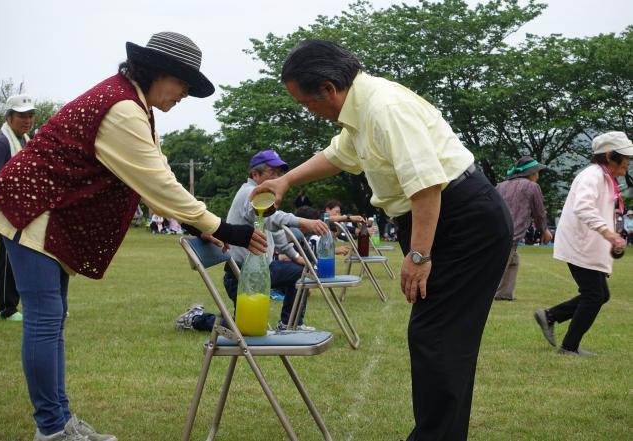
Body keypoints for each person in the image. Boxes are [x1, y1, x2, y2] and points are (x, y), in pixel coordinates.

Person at [0, 32, 267, 441]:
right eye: (182, 85)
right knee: (45, 321)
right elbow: (161, 185)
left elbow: (158, 177)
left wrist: (197, 223)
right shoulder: (123, 109)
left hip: (48, 214)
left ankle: (59, 422)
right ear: (159, 73)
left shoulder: (137, 107)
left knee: (52, 319)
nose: (183, 95)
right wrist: (223, 227)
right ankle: (52, 429)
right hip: (32, 210)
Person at [251, 40, 513, 441]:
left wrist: (419, 254)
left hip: (462, 221)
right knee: (438, 337)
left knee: (439, 337)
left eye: (306, 103)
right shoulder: (361, 111)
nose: (310, 112)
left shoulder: (383, 108)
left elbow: (427, 185)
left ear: (327, 88)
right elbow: (337, 155)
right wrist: (285, 179)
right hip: (446, 217)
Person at [175, 149, 327, 332]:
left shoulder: (264, 197)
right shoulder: (249, 193)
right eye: (273, 173)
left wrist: (295, 255)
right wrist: (301, 221)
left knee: (246, 326)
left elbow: (274, 230)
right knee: (244, 328)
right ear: (255, 173)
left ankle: (289, 324)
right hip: (241, 274)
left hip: (258, 271)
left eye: (280, 174)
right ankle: (195, 319)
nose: (278, 178)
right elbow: (271, 218)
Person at [534, 131, 631, 356]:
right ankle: (569, 347)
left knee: (600, 295)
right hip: (580, 244)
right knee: (594, 295)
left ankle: (550, 316)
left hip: (588, 244)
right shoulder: (593, 175)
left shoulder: (605, 178)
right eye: (624, 158)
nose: (627, 163)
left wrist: (611, 238)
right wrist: (609, 234)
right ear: (609, 156)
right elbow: (584, 208)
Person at [0, 94, 36, 321]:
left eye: (30, 115)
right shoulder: (3, 141)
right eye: (21, 115)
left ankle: (19, 304)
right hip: (5, 212)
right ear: (9, 117)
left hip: (19, 211)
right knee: (8, 256)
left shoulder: (23, 139)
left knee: (20, 256)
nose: (27, 119)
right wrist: (4, 201)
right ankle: (6, 308)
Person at [494, 156, 553, 300]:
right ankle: (485, 295)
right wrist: (544, 230)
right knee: (498, 267)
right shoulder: (532, 187)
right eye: (537, 172)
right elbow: (539, 213)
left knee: (513, 261)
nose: (538, 176)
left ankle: (504, 293)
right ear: (531, 173)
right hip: (511, 233)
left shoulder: (500, 185)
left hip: (495, 230)